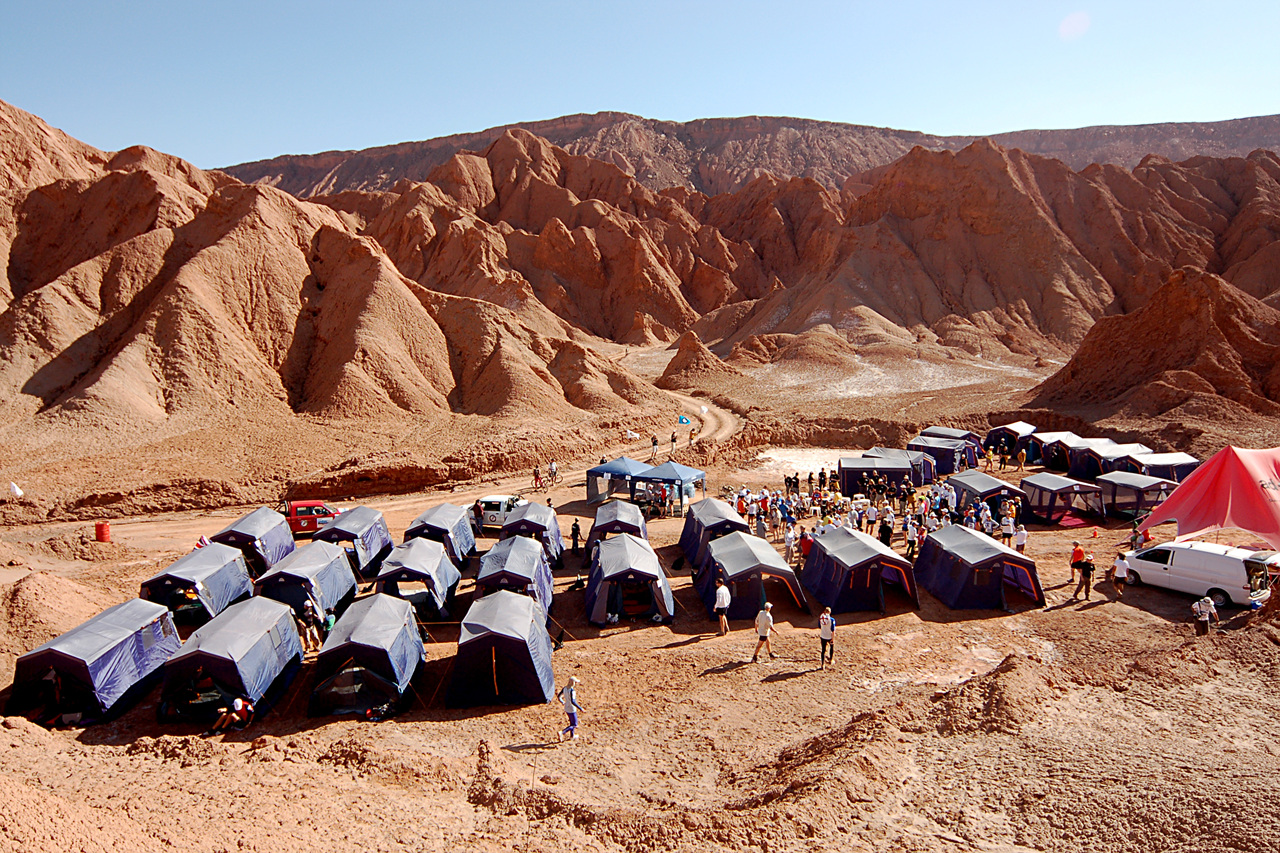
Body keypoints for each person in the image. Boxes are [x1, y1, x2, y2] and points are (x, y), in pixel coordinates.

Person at [556, 676, 583, 741]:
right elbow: (573, 701)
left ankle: (572, 736)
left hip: (566, 708)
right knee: (575, 724)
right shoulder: (572, 691)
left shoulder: (564, 688)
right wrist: (580, 708)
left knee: (571, 722)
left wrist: (562, 702)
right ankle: (562, 732)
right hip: (572, 708)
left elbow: (559, 696)